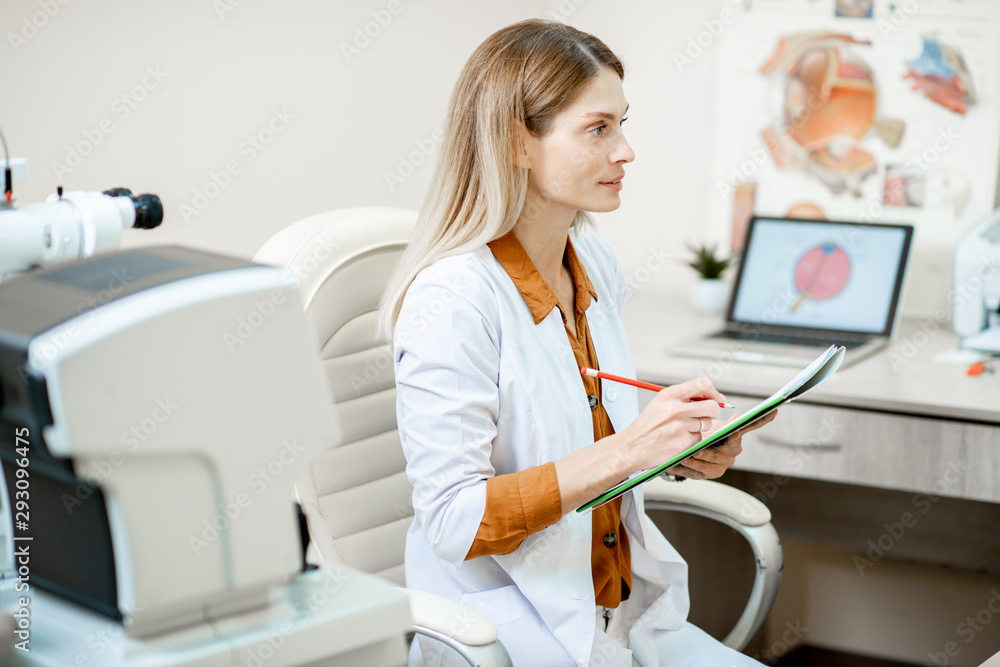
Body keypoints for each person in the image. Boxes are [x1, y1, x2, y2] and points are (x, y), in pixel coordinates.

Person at [378, 19, 777, 667]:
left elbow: (578, 442)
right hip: (511, 633)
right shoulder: (453, 300)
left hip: (621, 620)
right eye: (598, 128)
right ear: (516, 142)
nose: (626, 151)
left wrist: (676, 449)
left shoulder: (590, 262)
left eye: (622, 123)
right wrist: (629, 449)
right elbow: (453, 519)